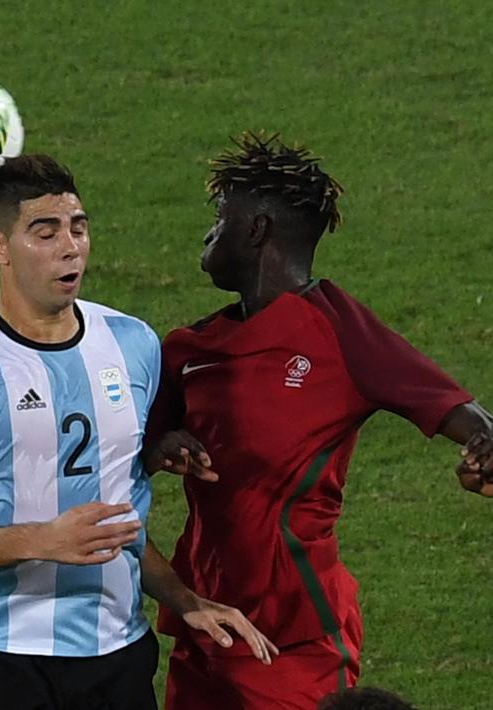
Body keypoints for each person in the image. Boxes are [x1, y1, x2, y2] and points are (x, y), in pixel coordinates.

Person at [0, 154, 276, 710]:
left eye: (78, 228)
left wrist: (183, 597)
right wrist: (45, 539)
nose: (69, 246)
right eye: (44, 232)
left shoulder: (133, 345)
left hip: (116, 656)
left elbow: (120, 521)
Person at [145, 132, 493, 710]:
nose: (208, 233)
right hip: (201, 619)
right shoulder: (188, 348)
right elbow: (128, 451)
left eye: (221, 217)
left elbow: (469, 417)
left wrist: (483, 450)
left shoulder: (338, 329)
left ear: (256, 230)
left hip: (294, 631)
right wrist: (161, 446)